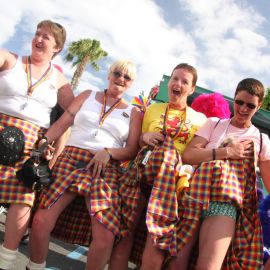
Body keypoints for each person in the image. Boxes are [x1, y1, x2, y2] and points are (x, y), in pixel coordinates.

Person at [28, 59, 142, 270]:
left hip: (104, 167)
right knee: (40, 221)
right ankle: (34, 267)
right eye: (117, 73)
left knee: (106, 236)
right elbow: (62, 123)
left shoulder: (134, 112)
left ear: (131, 83)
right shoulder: (87, 95)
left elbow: (132, 149)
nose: (121, 79)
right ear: (109, 74)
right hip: (71, 158)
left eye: (127, 77)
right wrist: (44, 141)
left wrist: (108, 152)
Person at [114, 63, 207, 270]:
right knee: (124, 232)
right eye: (175, 78)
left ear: (192, 89)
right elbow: (136, 141)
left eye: (184, 81)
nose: (178, 84)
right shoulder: (152, 109)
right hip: (141, 174)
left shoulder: (201, 120)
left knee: (156, 239)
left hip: (171, 184)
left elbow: (196, 155)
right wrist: (145, 136)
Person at [173, 78, 270, 269]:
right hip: (194, 195)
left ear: (258, 107)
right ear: (233, 99)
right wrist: (226, 152)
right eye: (240, 102)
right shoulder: (214, 123)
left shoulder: (261, 139)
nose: (243, 109)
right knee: (174, 262)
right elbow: (189, 155)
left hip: (225, 204)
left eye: (250, 106)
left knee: (209, 267)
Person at [0, 20, 74, 270]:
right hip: (1, 125)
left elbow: (72, 113)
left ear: (57, 48)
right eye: (37, 34)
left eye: (46, 37)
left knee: (22, 200)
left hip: (32, 141)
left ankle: (6, 262)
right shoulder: (11, 59)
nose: (39, 39)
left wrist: (53, 143)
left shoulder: (59, 79)